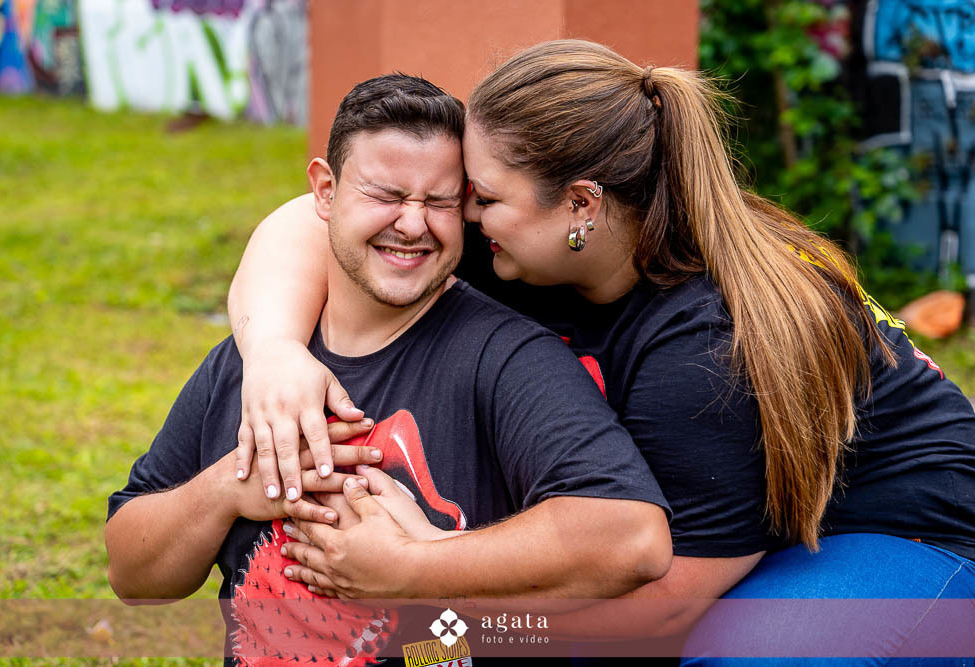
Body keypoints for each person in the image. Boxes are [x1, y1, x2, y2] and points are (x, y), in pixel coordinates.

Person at [226, 40, 975, 662]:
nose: (456, 218)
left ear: (581, 204)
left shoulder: (702, 349)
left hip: (916, 542)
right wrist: (273, 354)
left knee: (744, 653)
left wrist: (416, 581)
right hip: (747, 538)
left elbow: (652, 616)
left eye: (479, 197)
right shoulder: (556, 238)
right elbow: (307, 221)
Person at [105, 71, 672, 665]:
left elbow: (630, 537)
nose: (411, 223)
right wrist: (224, 492)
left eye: (439, 202)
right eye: (384, 195)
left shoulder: (510, 361)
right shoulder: (255, 361)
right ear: (324, 192)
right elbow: (131, 574)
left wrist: (414, 563)